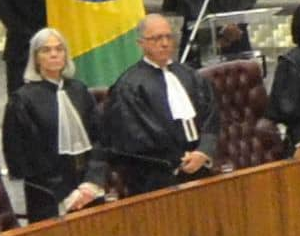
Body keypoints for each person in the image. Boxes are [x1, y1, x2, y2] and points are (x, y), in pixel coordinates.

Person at [93, 11, 218, 192]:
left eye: (168, 37)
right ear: (141, 43)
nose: (165, 43)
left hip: (202, 166)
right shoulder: (129, 86)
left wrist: (203, 150)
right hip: (157, 177)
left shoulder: (190, 75)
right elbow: (137, 136)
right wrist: (180, 159)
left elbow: (211, 116)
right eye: (157, 38)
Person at [2, 28, 110, 222]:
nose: (54, 54)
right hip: (50, 198)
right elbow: (27, 159)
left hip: (89, 190)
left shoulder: (79, 90)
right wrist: (66, 195)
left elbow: (100, 139)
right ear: (36, 58)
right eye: (46, 50)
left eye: (59, 49)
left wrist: (92, 183)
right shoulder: (23, 100)